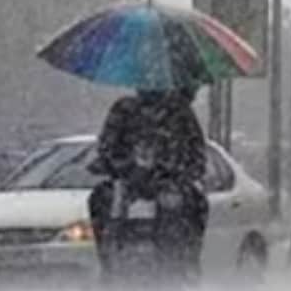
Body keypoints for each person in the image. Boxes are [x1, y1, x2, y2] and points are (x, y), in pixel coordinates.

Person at [87, 82, 208, 278]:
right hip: (128, 183)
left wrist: (172, 172)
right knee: (99, 198)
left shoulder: (180, 112)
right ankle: (108, 260)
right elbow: (106, 149)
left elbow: (197, 157)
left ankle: (185, 261)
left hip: (169, 183)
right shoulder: (124, 110)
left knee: (196, 204)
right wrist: (128, 168)